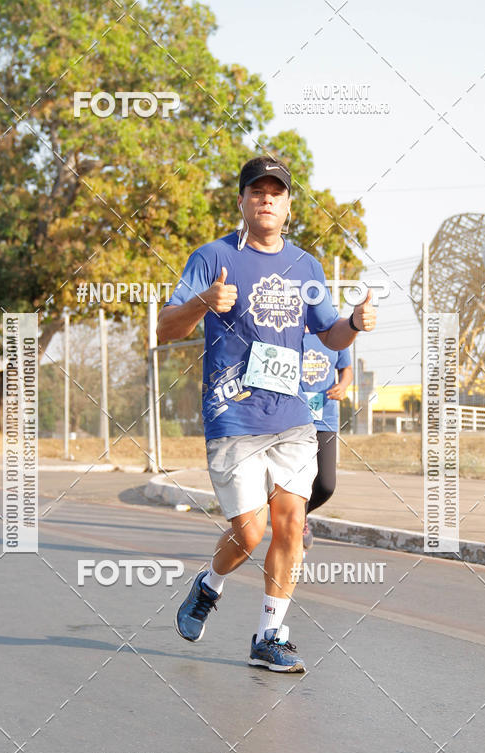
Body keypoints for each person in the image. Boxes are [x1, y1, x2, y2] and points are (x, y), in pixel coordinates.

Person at [157, 157, 376, 672]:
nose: (267, 199)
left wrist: (354, 323)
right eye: (258, 191)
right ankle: (210, 584)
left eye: (277, 192)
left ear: (289, 205)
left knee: (290, 523)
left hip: (294, 415)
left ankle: (269, 635)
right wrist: (203, 303)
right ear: (242, 200)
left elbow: (330, 335)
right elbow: (167, 327)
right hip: (232, 414)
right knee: (250, 532)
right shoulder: (212, 257)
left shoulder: (307, 266)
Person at [300, 331, 353, 550]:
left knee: (326, 484)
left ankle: (298, 514)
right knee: (296, 477)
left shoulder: (335, 330)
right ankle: (296, 521)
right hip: (293, 417)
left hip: (325, 417)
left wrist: (343, 386)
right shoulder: (288, 328)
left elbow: (346, 370)